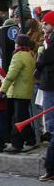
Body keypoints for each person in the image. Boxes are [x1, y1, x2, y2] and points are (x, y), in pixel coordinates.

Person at [0, 33, 38, 153]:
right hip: (26, 91)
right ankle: (28, 141)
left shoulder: (18, 56)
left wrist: (2, 90)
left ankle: (18, 144)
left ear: (18, 44)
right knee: (22, 118)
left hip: (18, 91)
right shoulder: (30, 55)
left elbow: (11, 75)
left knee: (18, 119)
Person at [37, 11, 54, 142]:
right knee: (47, 110)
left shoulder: (51, 41)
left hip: (50, 80)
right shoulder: (47, 39)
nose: (43, 27)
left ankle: (51, 135)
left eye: (46, 24)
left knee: (49, 111)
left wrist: (40, 60)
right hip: (47, 79)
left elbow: (46, 57)